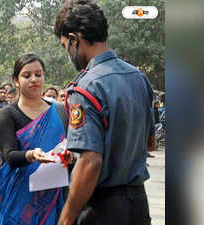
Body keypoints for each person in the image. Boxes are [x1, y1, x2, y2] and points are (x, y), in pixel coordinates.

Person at [54, 1, 155, 224]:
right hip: (138, 205)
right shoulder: (139, 79)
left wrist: (67, 217)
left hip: (102, 208)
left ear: (74, 39)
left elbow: (91, 162)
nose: (68, 54)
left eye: (65, 46)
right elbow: (150, 144)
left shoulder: (85, 87)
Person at [0, 53, 73, 225]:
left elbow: (70, 147)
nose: (34, 79)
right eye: (26, 75)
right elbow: (9, 156)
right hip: (19, 198)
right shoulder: (8, 114)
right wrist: (31, 155)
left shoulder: (60, 111)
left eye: (38, 74)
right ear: (16, 80)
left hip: (53, 195)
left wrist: (69, 157)